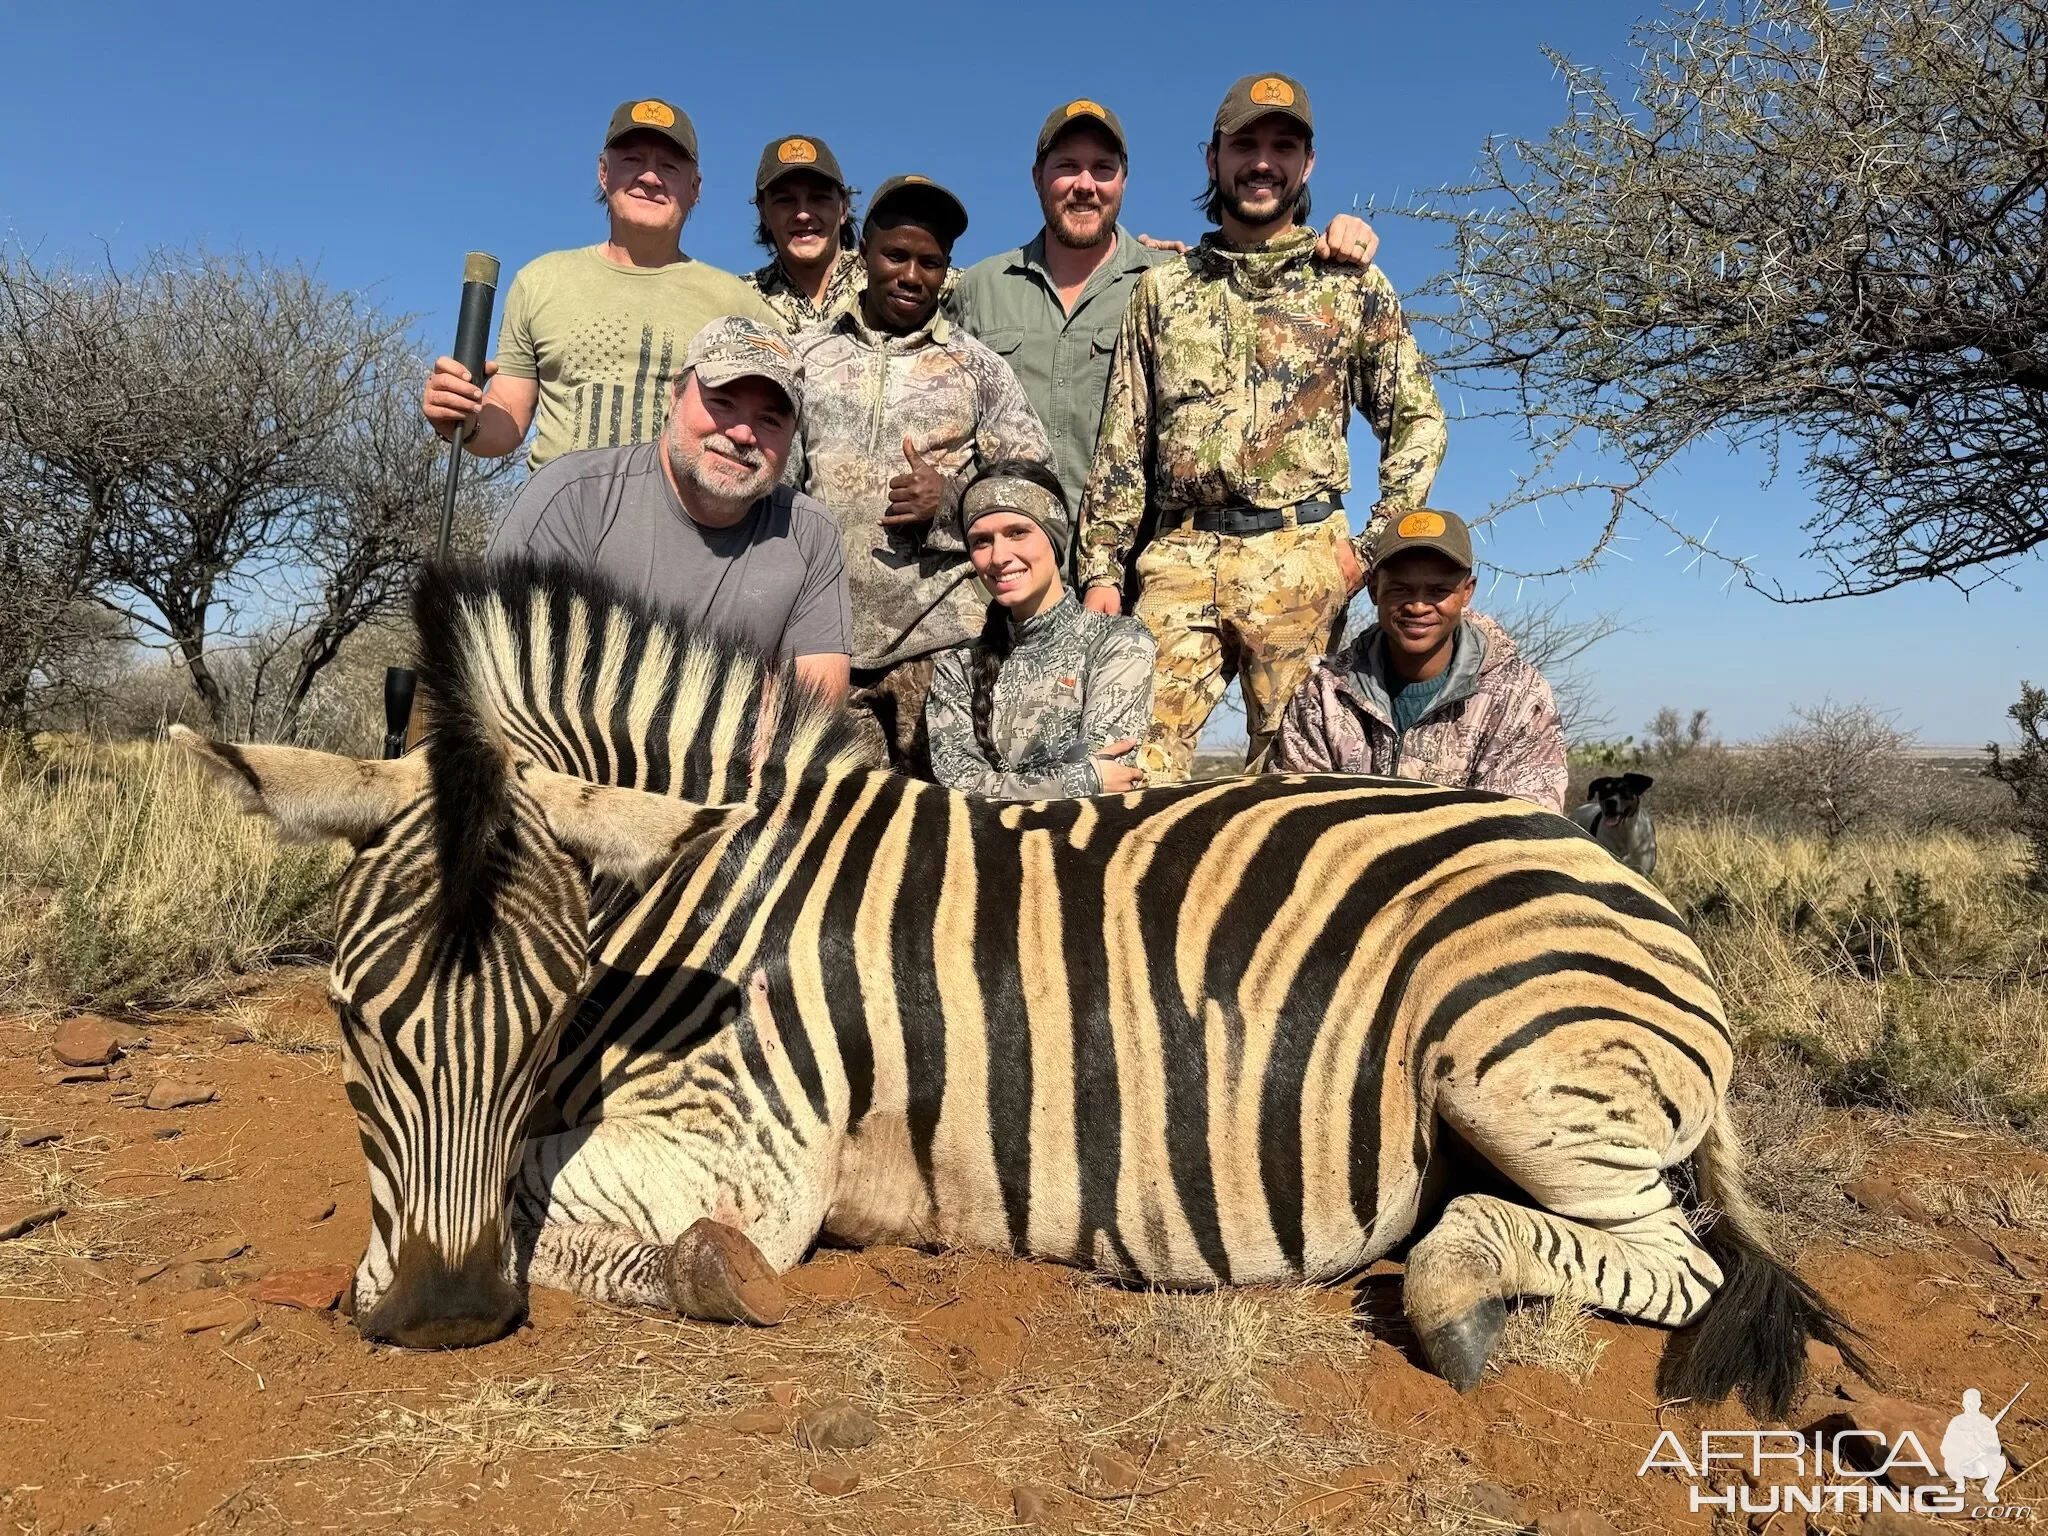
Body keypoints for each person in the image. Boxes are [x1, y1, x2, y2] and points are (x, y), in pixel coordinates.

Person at [1076, 72, 1448, 781]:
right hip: (1179, 559)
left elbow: (1417, 421)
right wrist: (1101, 570)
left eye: (1283, 145)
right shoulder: (1163, 290)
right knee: (1127, 771)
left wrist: (1368, 550)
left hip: (1303, 556)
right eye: (1245, 143)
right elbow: (1123, 442)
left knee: (1294, 782)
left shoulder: (1351, 283)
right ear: (1212, 158)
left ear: (1306, 165)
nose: (1262, 161)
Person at [949, 98, 1380, 536]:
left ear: (1123, 180)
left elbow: (1263, 269)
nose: (1085, 184)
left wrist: (1336, 238)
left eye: (1102, 168)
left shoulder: (1171, 283)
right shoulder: (979, 289)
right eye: (1067, 166)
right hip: (1007, 569)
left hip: (1132, 576)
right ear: (1037, 177)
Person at [791, 175, 1053, 773]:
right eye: (896, 255)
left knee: (949, 839)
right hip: (827, 650)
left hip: (945, 646)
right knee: (845, 840)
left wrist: (954, 501)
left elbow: (1037, 490)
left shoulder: (978, 368)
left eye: (930, 263)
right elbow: (775, 493)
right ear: (863, 254)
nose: (912, 275)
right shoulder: (805, 358)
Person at [487, 317, 851, 703]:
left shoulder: (811, 535)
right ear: (675, 395)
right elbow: (507, 687)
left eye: (770, 419)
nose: (744, 434)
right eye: (723, 402)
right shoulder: (569, 498)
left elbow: (814, 712)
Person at [421, 98, 779, 470]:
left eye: (669, 167)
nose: (650, 177)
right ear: (603, 172)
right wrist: (463, 418)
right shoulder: (541, 280)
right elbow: (509, 412)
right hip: (558, 519)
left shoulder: (742, 307)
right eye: (632, 160)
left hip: (683, 523)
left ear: (695, 187)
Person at [1268, 508, 1567, 812]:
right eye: (1401, 589)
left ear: (1466, 592)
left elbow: (1523, 828)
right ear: (1374, 589)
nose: (1418, 606)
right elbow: (1296, 816)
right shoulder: (1324, 693)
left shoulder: (1520, 697)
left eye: (1438, 591)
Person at [926, 461, 1154, 799]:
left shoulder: (1120, 644)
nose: (999, 556)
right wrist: (1075, 781)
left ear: (1055, 537)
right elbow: (958, 789)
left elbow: (1104, 786)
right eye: (981, 541)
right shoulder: (956, 669)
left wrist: (1006, 789)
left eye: (1017, 532)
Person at [742, 134, 866, 334]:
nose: (803, 214)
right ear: (763, 212)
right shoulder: (739, 298)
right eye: (785, 200)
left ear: (844, 208)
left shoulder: (885, 283)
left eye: (819, 198)